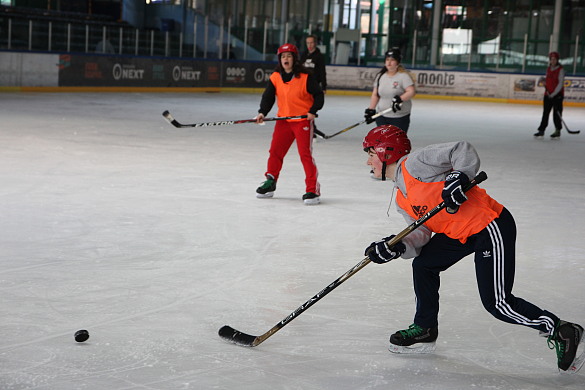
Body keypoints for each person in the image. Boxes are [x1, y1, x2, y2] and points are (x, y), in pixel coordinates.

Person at [362, 125, 584, 372]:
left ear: (386, 152)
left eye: (370, 154)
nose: (368, 162)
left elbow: (461, 149)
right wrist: (397, 246)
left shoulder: (416, 164)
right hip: (460, 233)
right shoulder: (401, 197)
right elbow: (421, 233)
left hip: (489, 225)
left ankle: (561, 329)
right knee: (424, 264)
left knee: (498, 303)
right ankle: (425, 328)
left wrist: (460, 176)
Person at [255, 43, 324, 205]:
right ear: (280, 59)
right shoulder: (276, 77)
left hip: (302, 122)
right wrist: (262, 112)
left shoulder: (305, 77)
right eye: (283, 56)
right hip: (283, 121)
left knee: (305, 155)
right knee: (275, 152)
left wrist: (313, 110)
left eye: (289, 56)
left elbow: (319, 95)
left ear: (295, 59)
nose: (286, 59)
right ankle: (270, 182)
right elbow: (268, 97)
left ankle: (312, 189)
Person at [364, 48, 416, 133]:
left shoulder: (403, 76)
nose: (389, 62)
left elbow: (411, 92)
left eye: (392, 60)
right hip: (381, 115)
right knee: (383, 142)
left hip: (399, 117)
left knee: (396, 143)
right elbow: (375, 94)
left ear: (398, 62)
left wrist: (400, 99)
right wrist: (371, 109)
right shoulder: (380, 76)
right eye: (387, 59)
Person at [301, 34, 328, 139]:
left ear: (315, 43)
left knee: (311, 107)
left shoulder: (319, 57)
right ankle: (311, 127)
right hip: (303, 85)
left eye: (311, 43)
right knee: (304, 106)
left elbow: (322, 72)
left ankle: (312, 127)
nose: (310, 45)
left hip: (314, 86)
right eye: (308, 43)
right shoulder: (303, 55)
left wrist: (324, 86)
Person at [534, 52, 565, 138]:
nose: (553, 60)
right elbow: (547, 79)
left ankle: (558, 130)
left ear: (557, 60)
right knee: (545, 113)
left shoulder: (560, 70)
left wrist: (554, 94)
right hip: (547, 94)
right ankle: (541, 130)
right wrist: (542, 79)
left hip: (557, 95)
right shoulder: (548, 69)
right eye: (551, 59)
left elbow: (560, 83)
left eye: (554, 59)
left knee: (557, 113)